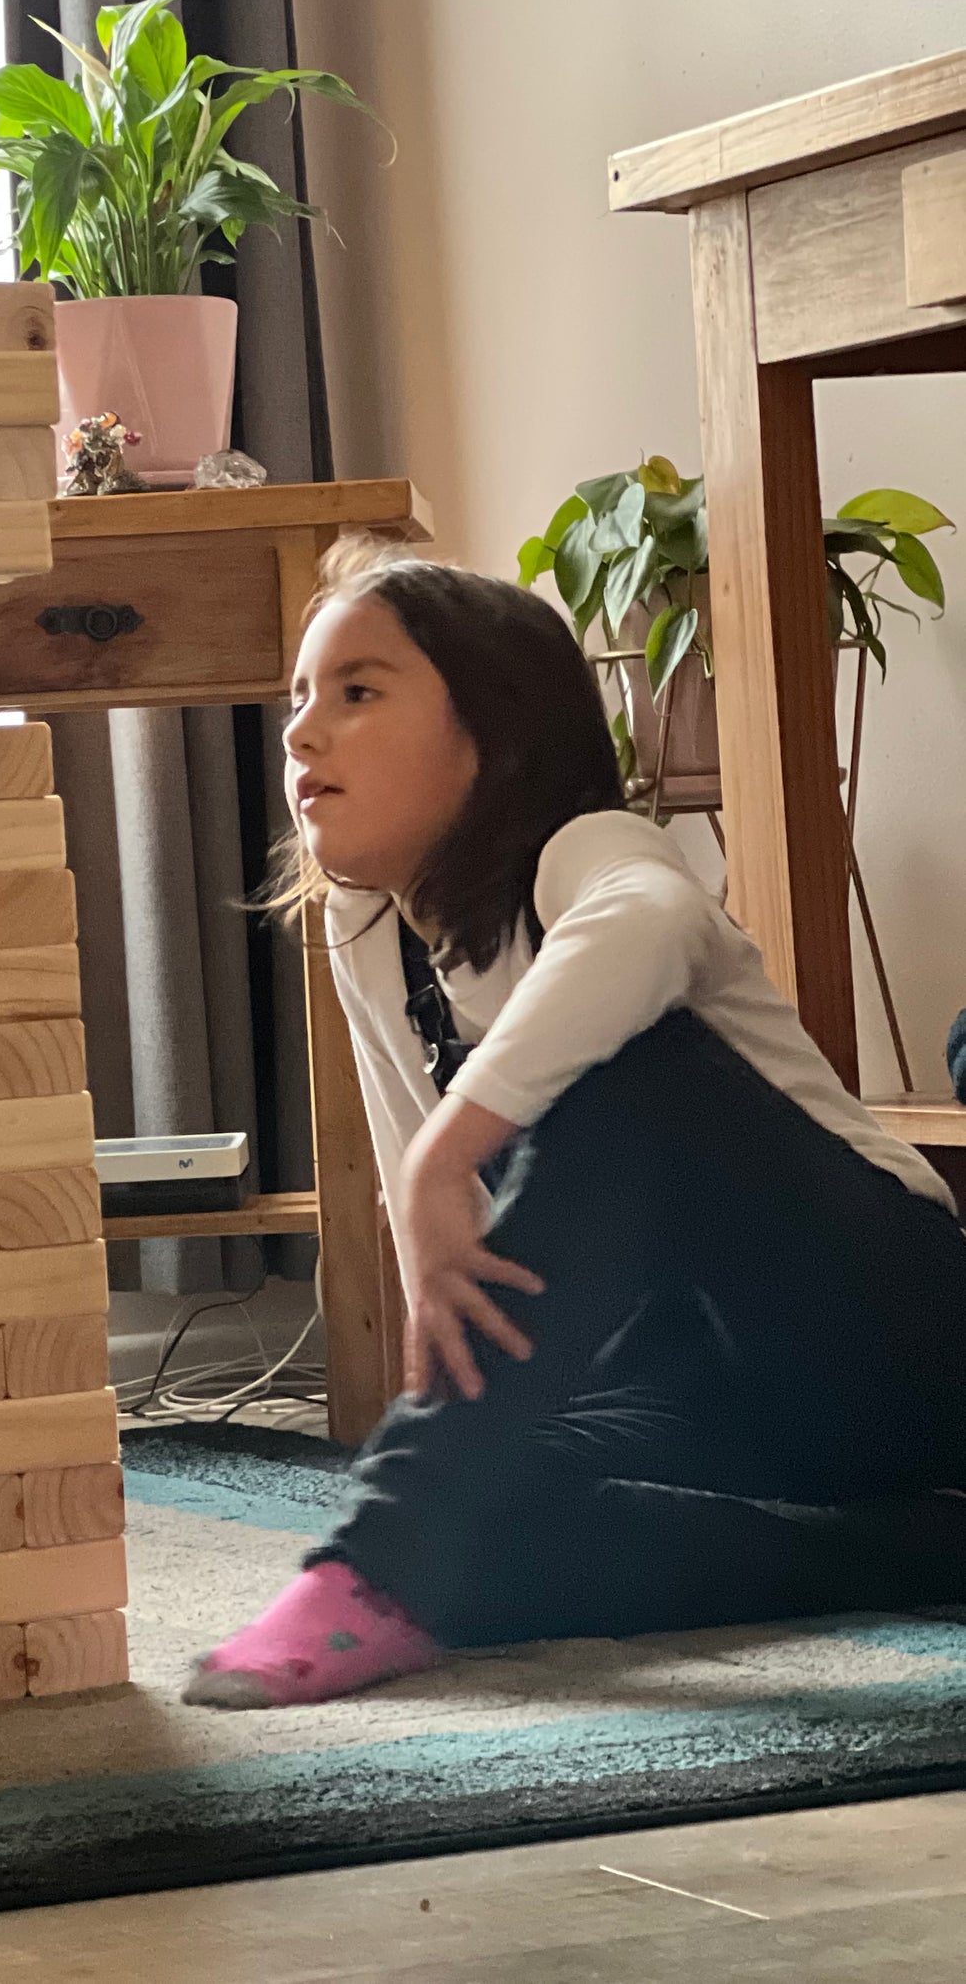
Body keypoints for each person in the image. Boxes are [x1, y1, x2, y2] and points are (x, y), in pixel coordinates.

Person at [185, 545, 966, 1707]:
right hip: (690, 1387)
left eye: (356, 692)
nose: (300, 733)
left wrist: (447, 1146)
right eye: (299, 697)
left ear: (490, 732)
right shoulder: (370, 929)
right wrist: (460, 1417)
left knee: (623, 1071)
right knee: (484, 1543)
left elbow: (648, 924)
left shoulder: (587, 853)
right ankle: (917, 1552)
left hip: (888, 1336)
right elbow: (440, 1245)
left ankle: (377, 1559)